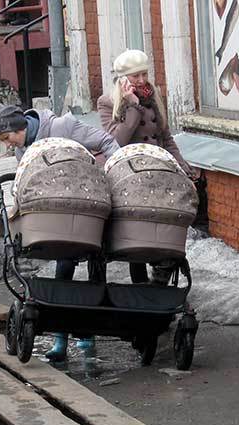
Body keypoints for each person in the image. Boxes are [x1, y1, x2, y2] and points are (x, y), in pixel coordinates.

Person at [0, 104, 120, 361]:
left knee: (96, 270)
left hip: (89, 208)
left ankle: (87, 333)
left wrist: (111, 179)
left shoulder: (63, 127)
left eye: (7, 138)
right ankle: (62, 339)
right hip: (58, 215)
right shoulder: (22, 150)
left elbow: (106, 141)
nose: (8, 145)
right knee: (64, 269)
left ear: (19, 128)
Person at [97, 49, 202, 285]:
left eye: (144, 74)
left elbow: (166, 138)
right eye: (135, 77)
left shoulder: (154, 98)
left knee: (168, 220)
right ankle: (140, 285)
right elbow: (116, 141)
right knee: (137, 226)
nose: (142, 81)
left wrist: (182, 167)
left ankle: (161, 275)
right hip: (129, 174)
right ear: (122, 79)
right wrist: (132, 107)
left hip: (158, 171)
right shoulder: (108, 103)